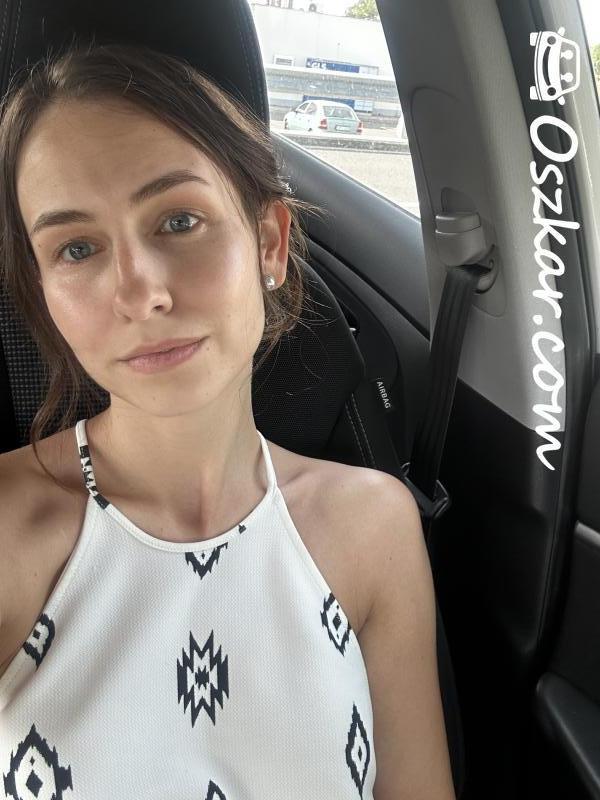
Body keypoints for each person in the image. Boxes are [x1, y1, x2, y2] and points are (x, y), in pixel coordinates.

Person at [0, 41, 456, 799]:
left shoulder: (372, 526)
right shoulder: (10, 530)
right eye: (76, 248)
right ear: (44, 292)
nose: (140, 293)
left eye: (179, 221)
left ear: (269, 243)